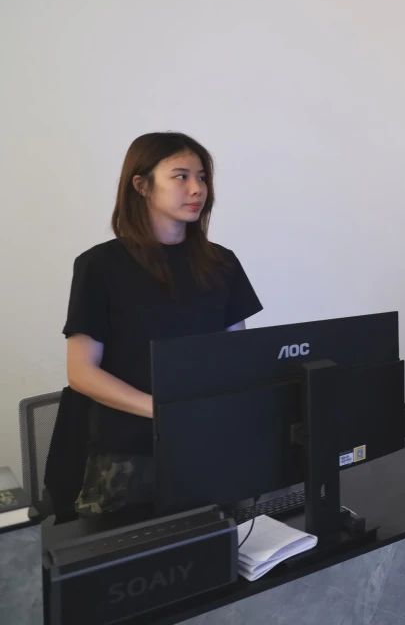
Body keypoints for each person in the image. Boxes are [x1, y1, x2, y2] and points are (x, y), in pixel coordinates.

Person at [44, 132, 263, 519]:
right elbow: (81, 372)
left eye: (202, 177)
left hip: (206, 442)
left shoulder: (222, 263)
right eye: (181, 176)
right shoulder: (100, 266)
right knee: (139, 554)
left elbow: (237, 357)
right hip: (127, 455)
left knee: (220, 544)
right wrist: (164, 412)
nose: (197, 189)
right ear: (142, 185)